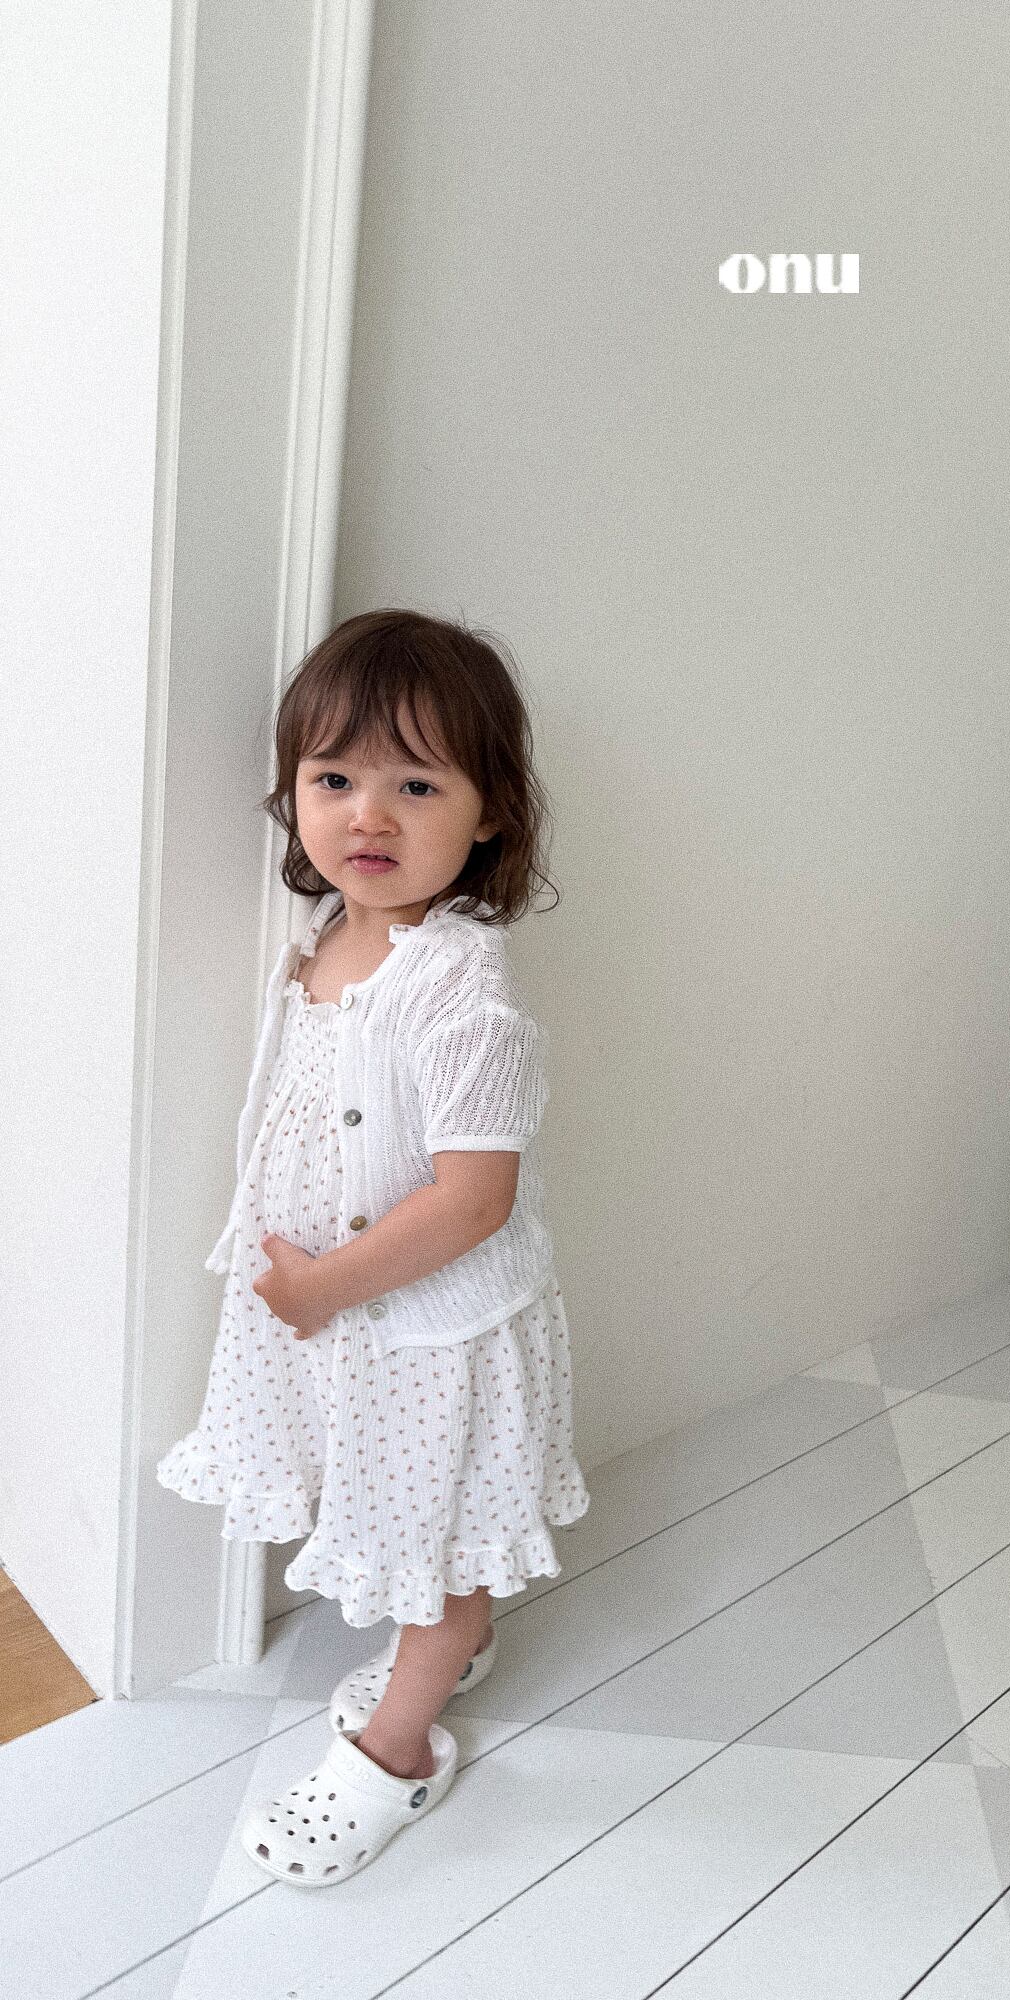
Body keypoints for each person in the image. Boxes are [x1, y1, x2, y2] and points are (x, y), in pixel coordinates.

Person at [156, 607, 589, 1886]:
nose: (369, 815)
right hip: (343, 1314)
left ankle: (399, 1746)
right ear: (293, 793)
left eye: (418, 784)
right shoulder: (329, 938)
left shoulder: (462, 990)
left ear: (490, 812)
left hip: (424, 1331)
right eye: (335, 778)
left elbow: (474, 1198)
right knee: (402, 1515)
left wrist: (324, 1288)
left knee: (435, 1544)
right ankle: (449, 1638)